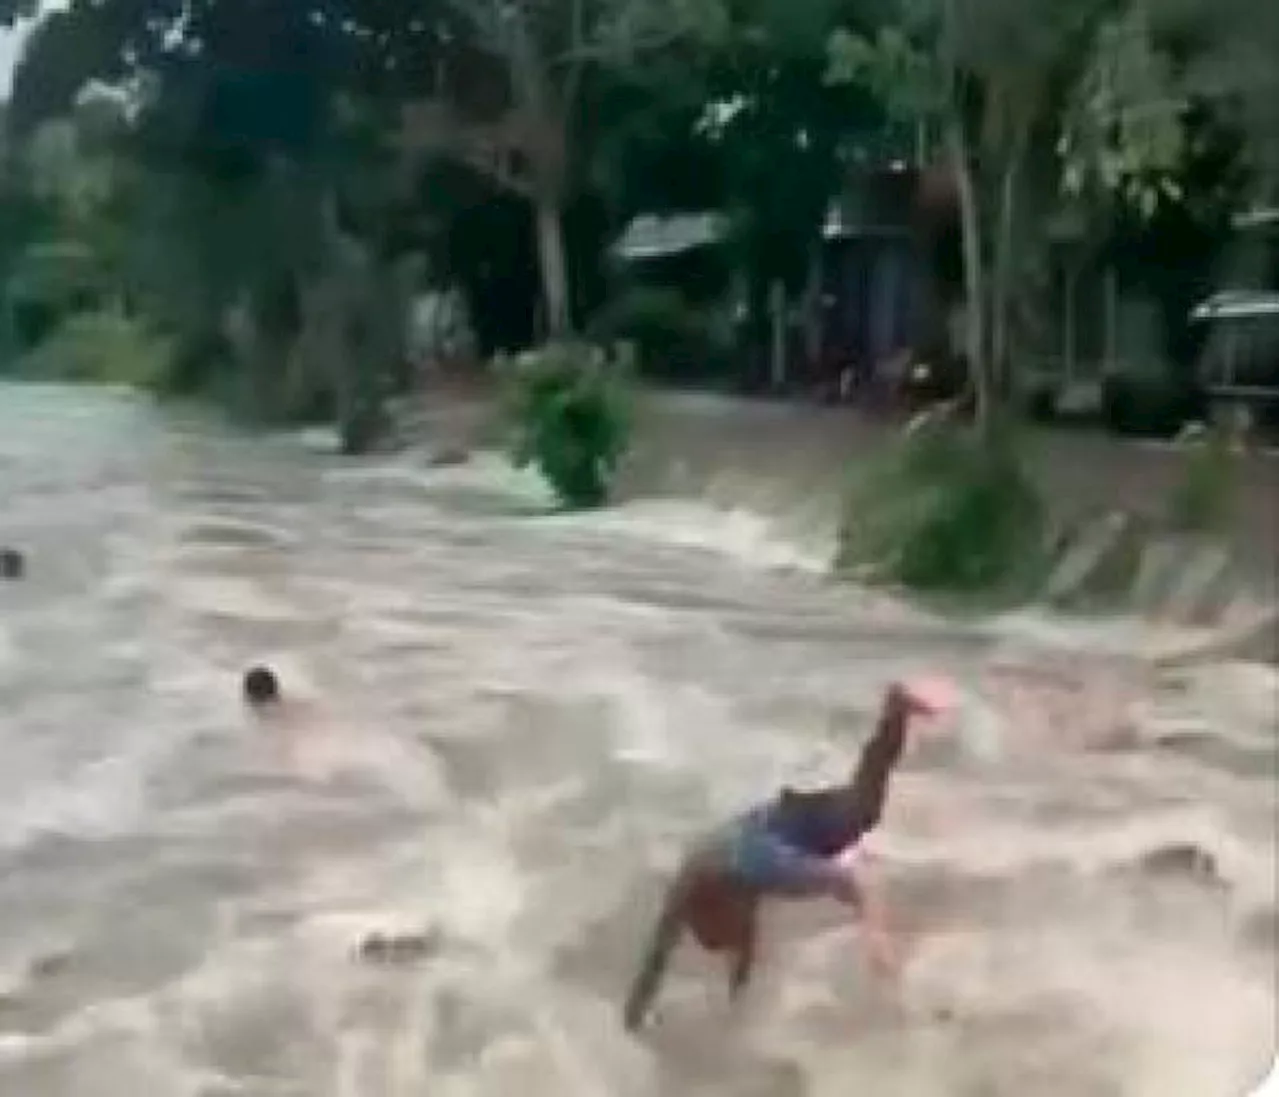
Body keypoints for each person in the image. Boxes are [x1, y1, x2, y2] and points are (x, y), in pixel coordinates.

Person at [622, 677, 951, 1033]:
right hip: (779, 821)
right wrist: (635, 1020)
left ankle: (895, 710)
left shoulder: (745, 867)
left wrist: (876, 938)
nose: (743, 935)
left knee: (861, 814)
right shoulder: (707, 885)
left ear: (715, 914)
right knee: (863, 807)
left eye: (726, 934)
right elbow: (655, 966)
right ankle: (895, 713)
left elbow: (850, 881)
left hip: (782, 833)